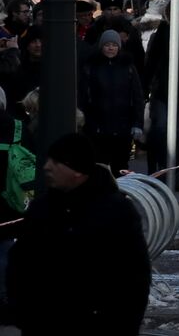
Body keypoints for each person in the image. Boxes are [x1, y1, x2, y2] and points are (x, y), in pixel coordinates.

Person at [7, 133, 151, 335]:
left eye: (56, 162)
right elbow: (20, 264)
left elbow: (134, 276)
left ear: (76, 169)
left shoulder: (116, 211)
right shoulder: (42, 209)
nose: (47, 167)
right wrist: (25, 315)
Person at [79, 29, 144, 173]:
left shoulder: (128, 67)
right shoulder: (91, 67)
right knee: (99, 165)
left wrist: (137, 123)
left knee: (121, 166)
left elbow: (137, 96)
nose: (110, 48)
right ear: (101, 46)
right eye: (107, 44)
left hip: (123, 125)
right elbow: (84, 96)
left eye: (114, 45)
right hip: (97, 126)